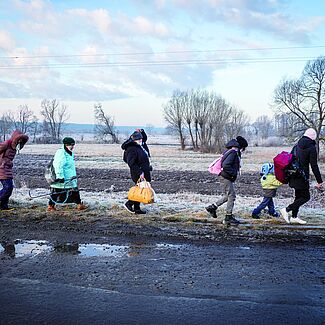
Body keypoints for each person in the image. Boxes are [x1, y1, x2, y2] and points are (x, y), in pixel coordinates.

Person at [280, 128, 323, 224]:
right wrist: (319, 181)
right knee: (306, 197)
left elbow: (290, 159)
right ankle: (287, 209)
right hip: (302, 177)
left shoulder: (297, 145)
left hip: (293, 174)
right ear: (313, 137)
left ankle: (294, 217)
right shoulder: (311, 148)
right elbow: (314, 165)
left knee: (298, 196)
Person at [206, 136, 248, 225]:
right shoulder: (233, 153)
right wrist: (233, 173)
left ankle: (212, 207)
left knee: (227, 196)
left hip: (225, 176)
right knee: (232, 196)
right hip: (225, 176)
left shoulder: (231, 151)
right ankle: (228, 217)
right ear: (241, 146)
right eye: (243, 148)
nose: (243, 150)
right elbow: (226, 165)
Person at [47, 137, 87, 212]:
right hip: (63, 177)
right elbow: (58, 165)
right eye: (70, 145)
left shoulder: (69, 153)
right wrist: (60, 176)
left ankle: (79, 205)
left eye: (73, 145)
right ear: (65, 145)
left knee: (75, 190)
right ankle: (50, 206)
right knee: (57, 191)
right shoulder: (61, 152)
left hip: (70, 177)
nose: (72, 147)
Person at [121, 129, 152, 214]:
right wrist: (140, 172)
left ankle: (137, 209)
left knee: (140, 190)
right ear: (133, 140)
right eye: (139, 139)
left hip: (144, 170)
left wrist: (142, 131)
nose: (141, 140)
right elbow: (131, 163)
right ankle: (129, 204)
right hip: (138, 172)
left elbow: (144, 138)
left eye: (141, 139)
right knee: (140, 189)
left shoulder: (140, 145)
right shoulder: (131, 148)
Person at [0, 129, 29, 211]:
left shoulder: (15, 147)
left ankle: (3, 206)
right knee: (8, 187)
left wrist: (8, 162)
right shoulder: (6, 144)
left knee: (9, 188)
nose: (20, 141)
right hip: (2, 168)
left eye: (22, 140)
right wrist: (3, 162)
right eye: (19, 139)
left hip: (7, 168)